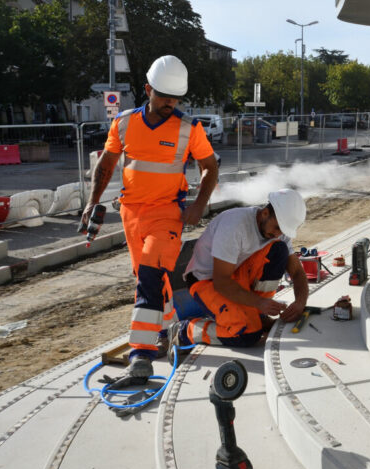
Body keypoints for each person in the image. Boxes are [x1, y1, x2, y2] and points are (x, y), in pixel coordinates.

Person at [81, 55, 219, 384]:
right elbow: (107, 163)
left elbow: (211, 167)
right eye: (164, 97)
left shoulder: (189, 128)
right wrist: (92, 202)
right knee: (150, 279)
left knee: (148, 278)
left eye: (176, 98)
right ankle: (172, 331)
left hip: (167, 214)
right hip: (131, 213)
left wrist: (199, 204)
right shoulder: (124, 123)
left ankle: (141, 357)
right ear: (148, 90)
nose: (170, 103)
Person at [172, 189, 309, 348]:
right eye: (277, 228)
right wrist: (259, 302)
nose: (278, 234)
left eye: (282, 231)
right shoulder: (234, 226)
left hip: (235, 274)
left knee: (279, 251)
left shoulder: (277, 230)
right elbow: (221, 282)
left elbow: (297, 272)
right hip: (207, 280)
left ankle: (258, 316)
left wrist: (300, 302)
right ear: (265, 213)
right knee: (246, 334)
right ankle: (184, 331)